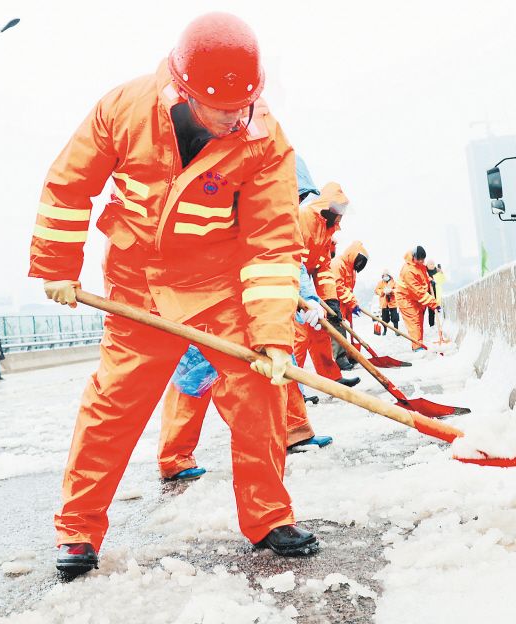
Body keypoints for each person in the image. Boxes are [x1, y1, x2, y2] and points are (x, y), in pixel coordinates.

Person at [29, 13, 318, 574]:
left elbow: (271, 244)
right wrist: (57, 267)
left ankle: (269, 517)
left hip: (218, 290)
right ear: (180, 91)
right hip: (137, 287)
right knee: (113, 406)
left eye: (243, 106)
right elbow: (70, 183)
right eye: (220, 110)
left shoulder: (265, 140)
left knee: (259, 395)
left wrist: (273, 337)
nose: (235, 119)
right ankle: (78, 531)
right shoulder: (125, 109)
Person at [157, 155, 334, 482]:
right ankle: (175, 457)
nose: (292, 203)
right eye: (289, 194)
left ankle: (295, 431)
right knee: (196, 378)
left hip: (255, 306)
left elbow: (288, 259)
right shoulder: (221, 204)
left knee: (281, 361)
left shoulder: (280, 217)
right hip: (206, 302)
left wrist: (307, 298)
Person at [295, 182, 360, 382]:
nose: (341, 216)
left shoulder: (327, 229)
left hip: (309, 287)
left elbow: (323, 269)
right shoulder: (303, 218)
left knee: (320, 332)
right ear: (328, 206)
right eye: (339, 210)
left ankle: (332, 377)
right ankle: (293, 388)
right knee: (299, 336)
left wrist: (331, 300)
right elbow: (296, 260)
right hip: (294, 285)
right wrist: (305, 295)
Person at [395, 246, 438, 351]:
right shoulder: (408, 271)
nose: (422, 261)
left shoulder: (419, 265)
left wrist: (429, 280)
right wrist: (434, 303)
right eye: (420, 259)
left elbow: (422, 277)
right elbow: (418, 292)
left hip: (414, 297)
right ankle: (417, 347)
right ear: (414, 257)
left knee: (419, 319)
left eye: (423, 259)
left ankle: (419, 343)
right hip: (405, 298)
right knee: (414, 321)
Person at [330, 240, 368, 331]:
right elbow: (338, 287)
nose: (359, 264)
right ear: (352, 255)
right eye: (359, 261)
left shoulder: (351, 270)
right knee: (337, 340)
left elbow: (348, 290)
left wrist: (352, 305)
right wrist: (352, 303)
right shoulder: (337, 264)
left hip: (342, 310)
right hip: (334, 311)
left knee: (343, 339)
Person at [374, 269, 399, 334]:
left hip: (393, 303)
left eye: (386, 275)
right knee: (384, 319)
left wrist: (391, 291)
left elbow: (397, 290)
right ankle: (385, 330)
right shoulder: (380, 283)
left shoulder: (393, 282)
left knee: (395, 318)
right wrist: (382, 291)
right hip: (384, 304)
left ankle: (396, 331)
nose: (385, 277)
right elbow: (376, 290)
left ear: (389, 276)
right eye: (384, 276)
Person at [426, 260, 438, 328]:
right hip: (428, 293)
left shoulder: (437, 271)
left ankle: (437, 323)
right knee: (430, 310)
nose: (432, 265)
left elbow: (442, 281)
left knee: (437, 309)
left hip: (437, 293)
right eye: (430, 264)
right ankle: (432, 324)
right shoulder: (425, 272)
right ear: (427, 265)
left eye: (433, 264)